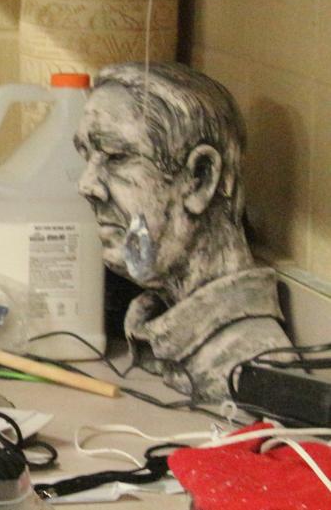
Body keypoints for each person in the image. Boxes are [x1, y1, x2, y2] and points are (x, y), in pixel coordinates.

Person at [75, 61, 289, 399]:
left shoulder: (251, 364)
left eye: (116, 157)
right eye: (86, 157)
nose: (86, 185)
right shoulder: (152, 329)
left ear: (200, 179)